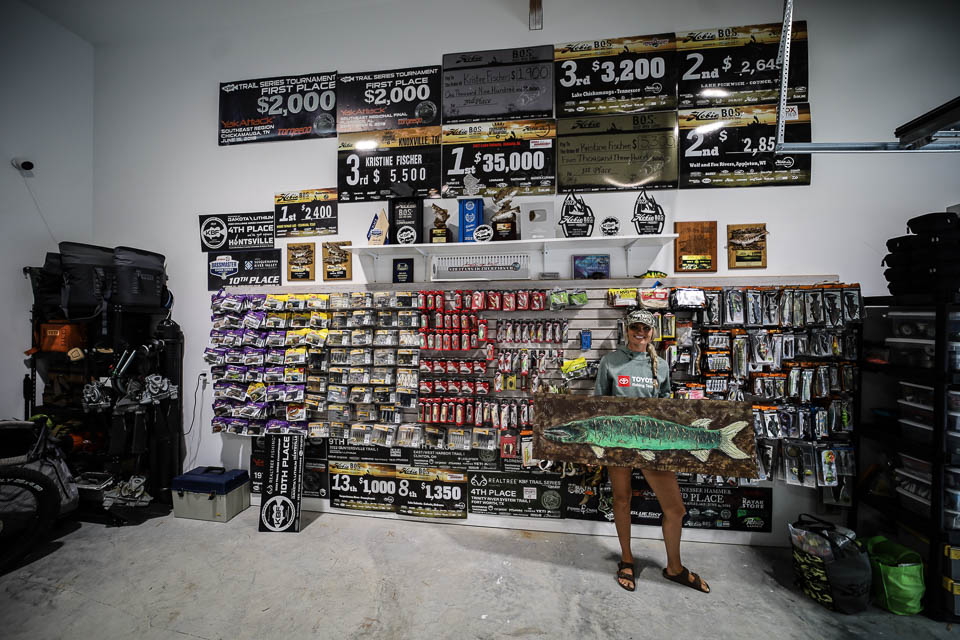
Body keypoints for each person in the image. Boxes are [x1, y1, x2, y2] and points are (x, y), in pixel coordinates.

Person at [594, 308, 710, 594]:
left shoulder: (661, 366)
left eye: (645, 328)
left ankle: (675, 568)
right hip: (618, 443)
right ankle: (626, 560)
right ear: (627, 329)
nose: (640, 332)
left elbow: (666, 407)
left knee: (675, 509)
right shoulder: (610, 362)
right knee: (621, 501)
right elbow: (598, 406)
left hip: (653, 444)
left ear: (652, 332)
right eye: (635, 327)